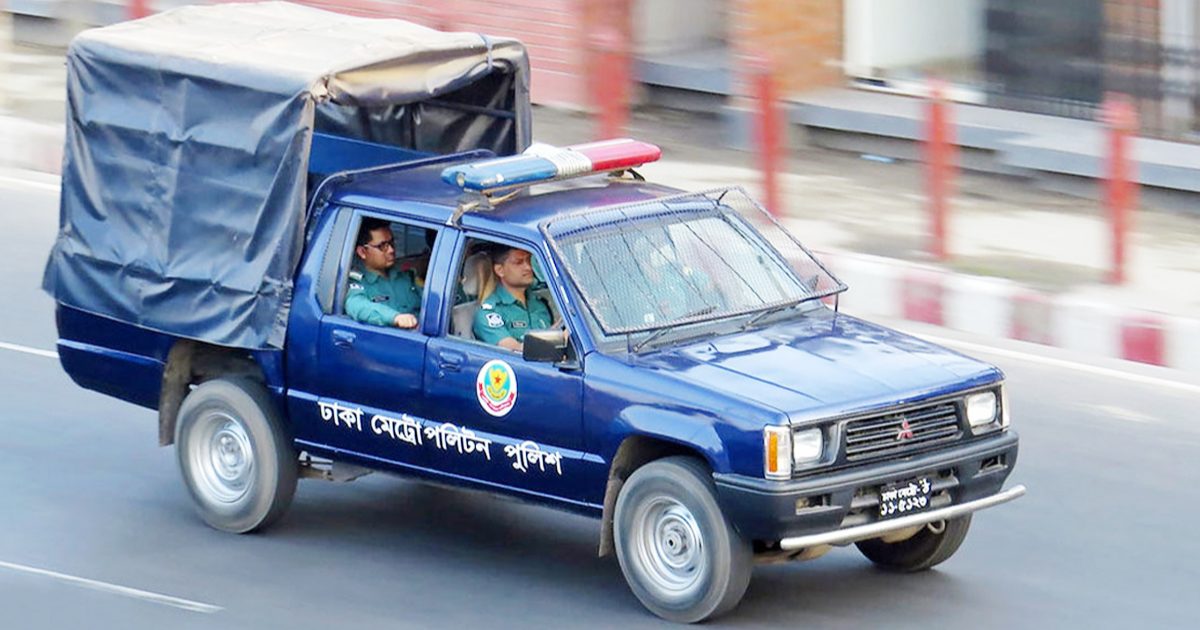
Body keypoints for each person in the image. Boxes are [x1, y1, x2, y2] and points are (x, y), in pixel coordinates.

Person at [472, 245, 553, 352]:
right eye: (519, 262)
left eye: (529, 260)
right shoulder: (490, 313)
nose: (528, 267)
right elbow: (515, 351)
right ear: (500, 270)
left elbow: (551, 335)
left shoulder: (539, 303)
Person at [345, 218, 422, 329]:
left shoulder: (406, 275)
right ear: (362, 252)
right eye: (382, 246)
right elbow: (357, 305)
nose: (391, 250)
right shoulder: (356, 282)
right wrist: (395, 318)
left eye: (391, 243)